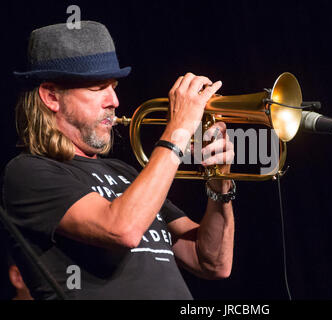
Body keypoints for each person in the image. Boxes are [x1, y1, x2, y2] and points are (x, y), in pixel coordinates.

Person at [2, 21, 235, 299]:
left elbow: (212, 262)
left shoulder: (125, 172)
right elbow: (123, 229)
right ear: (52, 96)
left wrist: (219, 181)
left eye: (113, 87)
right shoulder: (28, 172)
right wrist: (179, 129)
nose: (114, 100)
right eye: (98, 87)